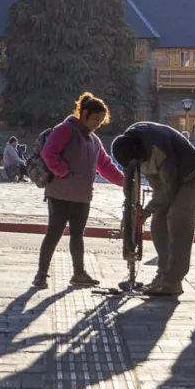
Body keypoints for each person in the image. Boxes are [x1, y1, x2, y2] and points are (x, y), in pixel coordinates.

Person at [32, 92, 124, 290]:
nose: (97, 124)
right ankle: (41, 274)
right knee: (54, 233)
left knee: (77, 235)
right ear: (83, 114)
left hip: (82, 196)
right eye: (94, 119)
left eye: (100, 121)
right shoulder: (65, 130)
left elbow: (105, 165)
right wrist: (62, 171)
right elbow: (49, 152)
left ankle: (79, 273)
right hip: (60, 194)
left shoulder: (94, 140)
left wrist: (124, 182)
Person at [110, 121, 195, 296]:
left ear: (141, 154)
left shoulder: (159, 148)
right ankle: (163, 275)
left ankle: (173, 281)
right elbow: (130, 180)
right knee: (158, 224)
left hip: (187, 175)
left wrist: (146, 211)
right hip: (161, 178)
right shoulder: (128, 146)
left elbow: (170, 188)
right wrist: (130, 213)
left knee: (178, 223)